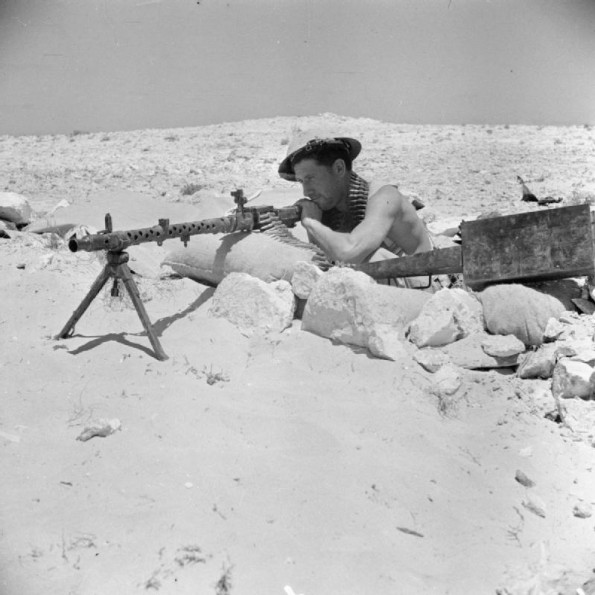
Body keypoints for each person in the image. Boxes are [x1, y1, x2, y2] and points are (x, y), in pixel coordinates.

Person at [278, 130, 433, 272]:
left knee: (372, 259)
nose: (306, 191)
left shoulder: (385, 198)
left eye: (310, 178)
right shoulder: (327, 207)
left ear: (339, 168)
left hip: (431, 282)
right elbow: (325, 263)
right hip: (390, 289)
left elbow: (348, 253)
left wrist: (312, 223)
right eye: (301, 181)